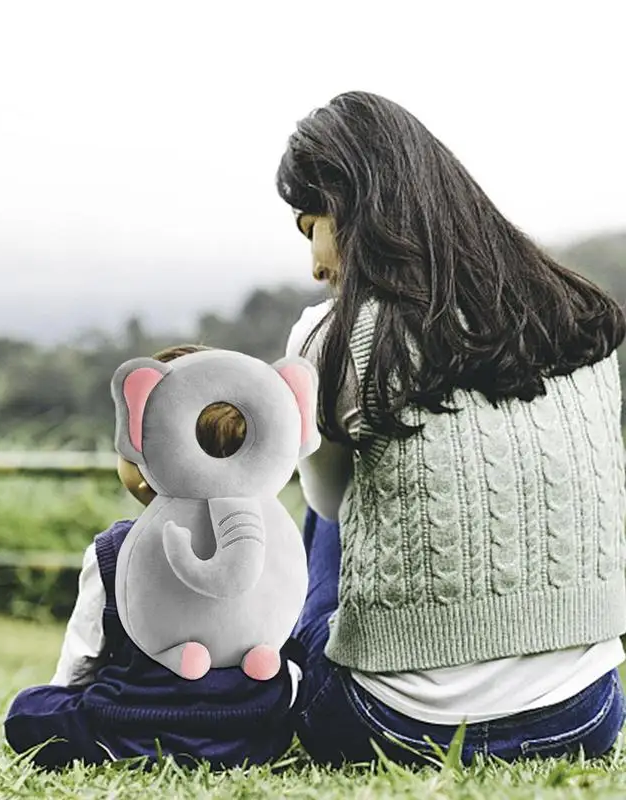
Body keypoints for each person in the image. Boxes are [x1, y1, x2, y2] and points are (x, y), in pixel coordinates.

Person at [278, 91, 626, 766]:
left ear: (344, 209)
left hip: (391, 726)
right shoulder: (577, 315)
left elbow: (329, 506)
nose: (314, 264)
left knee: (326, 503)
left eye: (308, 226)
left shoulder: (334, 336)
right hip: (582, 718)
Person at [4, 344, 305, 771]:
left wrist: (63, 695)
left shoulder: (114, 550)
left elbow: (80, 660)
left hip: (135, 724)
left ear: (146, 463)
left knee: (30, 710)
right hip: (250, 732)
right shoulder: (279, 548)